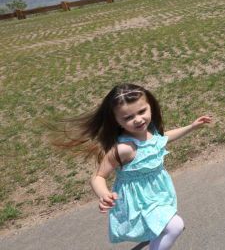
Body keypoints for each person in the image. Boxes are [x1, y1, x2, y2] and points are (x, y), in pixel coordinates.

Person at [53, 83, 212, 249]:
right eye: (128, 117)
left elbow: (162, 139)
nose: (138, 119)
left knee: (165, 226)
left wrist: (191, 127)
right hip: (139, 200)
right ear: (116, 120)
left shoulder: (150, 130)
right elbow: (98, 176)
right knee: (176, 225)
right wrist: (104, 194)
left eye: (142, 111)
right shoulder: (124, 149)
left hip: (158, 192)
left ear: (150, 106)